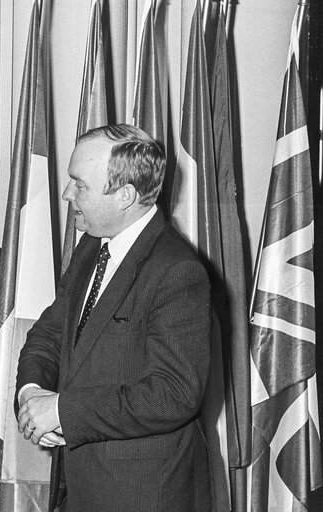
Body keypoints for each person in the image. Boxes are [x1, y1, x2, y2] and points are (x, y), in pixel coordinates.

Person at [15, 124, 213, 511]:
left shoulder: (177, 272)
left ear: (125, 196)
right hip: (84, 485)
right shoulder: (91, 245)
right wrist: (33, 392)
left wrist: (61, 411)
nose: (67, 194)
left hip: (145, 494)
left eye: (79, 184)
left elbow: (173, 395)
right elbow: (50, 335)